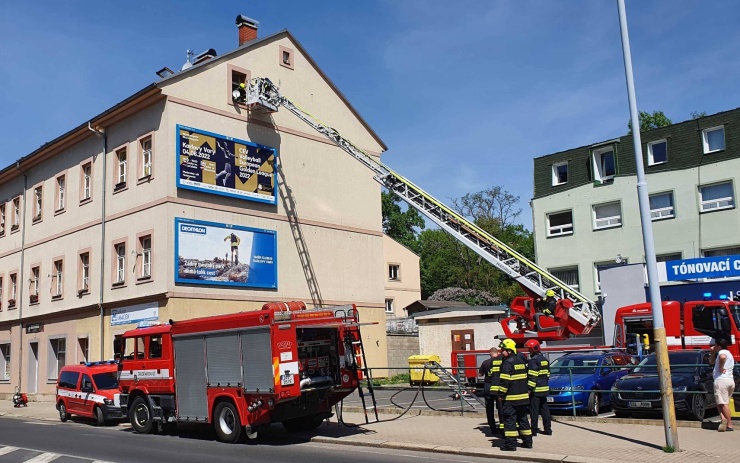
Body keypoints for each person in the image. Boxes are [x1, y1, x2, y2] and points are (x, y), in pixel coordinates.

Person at [498, 338, 532, 451]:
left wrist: (500, 394)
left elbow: (505, 381)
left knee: (510, 421)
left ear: (509, 350)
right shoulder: (521, 361)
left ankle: (510, 445)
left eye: (503, 349)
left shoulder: (507, 362)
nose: (501, 351)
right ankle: (528, 442)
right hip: (523, 397)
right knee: (523, 420)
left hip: (511, 399)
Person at [525, 339, 552, 436]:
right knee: (545, 410)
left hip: (536, 391)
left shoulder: (533, 361)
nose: (529, 351)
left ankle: (534, 431)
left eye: (529, 349)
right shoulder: (544, 359)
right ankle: (548, 430)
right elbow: (548, 374)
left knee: (534, 411)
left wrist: (529, 390)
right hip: (544, 389)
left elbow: (532, 377)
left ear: (533, 349)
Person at [709, 338, 735, 432]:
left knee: (723, 404)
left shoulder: (722, 352)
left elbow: (722, 357)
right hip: (730, 380)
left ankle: (729, 425)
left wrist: (720, 367)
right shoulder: (729, 353)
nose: (714, 347)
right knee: (721, 402)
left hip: (721, 381)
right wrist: (712, 352)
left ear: (719, 346)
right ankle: (723, 419)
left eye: (715, 345)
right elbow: (711, 362)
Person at [479, 347, 502, 436]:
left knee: (489, 408)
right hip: (498, 385)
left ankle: (492, 428)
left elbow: (480, 374)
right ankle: (502, 426)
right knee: (501, 407)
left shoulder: (486, 362)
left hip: (488, 386)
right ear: (498, 352)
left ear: (490, 353)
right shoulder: (502, 361)